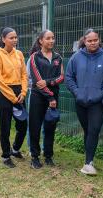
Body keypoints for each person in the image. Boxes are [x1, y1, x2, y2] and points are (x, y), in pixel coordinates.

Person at [65, 28, 103, 176]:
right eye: (90, 40)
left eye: (95, 40)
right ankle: (89, 158)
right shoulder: (76, 58)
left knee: (94, 130)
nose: (93, 43)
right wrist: (77, 92)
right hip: (81, 102)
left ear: (99, 40)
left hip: (99, 103)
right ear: (85, 41)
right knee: (88, 131)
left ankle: (88, 163)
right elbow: (69, 77)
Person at [0, 27, 28, 168]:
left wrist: (23, 92)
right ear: (3, 39)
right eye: (11, 38)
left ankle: (15, 149)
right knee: (5, 127)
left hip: (19, 92)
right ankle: (6, 155)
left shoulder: (19, 54)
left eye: (15, 37)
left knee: (23, 124)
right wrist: (12, 97)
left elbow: (24, 75)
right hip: (6, 93)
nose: (14, 40)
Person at [28, 30, 64, 169]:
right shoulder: (34, 57)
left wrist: (48, 82)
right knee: (35, 127)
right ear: (41, 41)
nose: (51, 41)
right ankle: (35, 157)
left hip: (53, 97)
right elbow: (37, 81)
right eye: (48, 38)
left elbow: (61, 77)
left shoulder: (58, 57)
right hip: (38, 97)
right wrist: (50, 97)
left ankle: (48, 156)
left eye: (53, 38)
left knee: (50, 126)